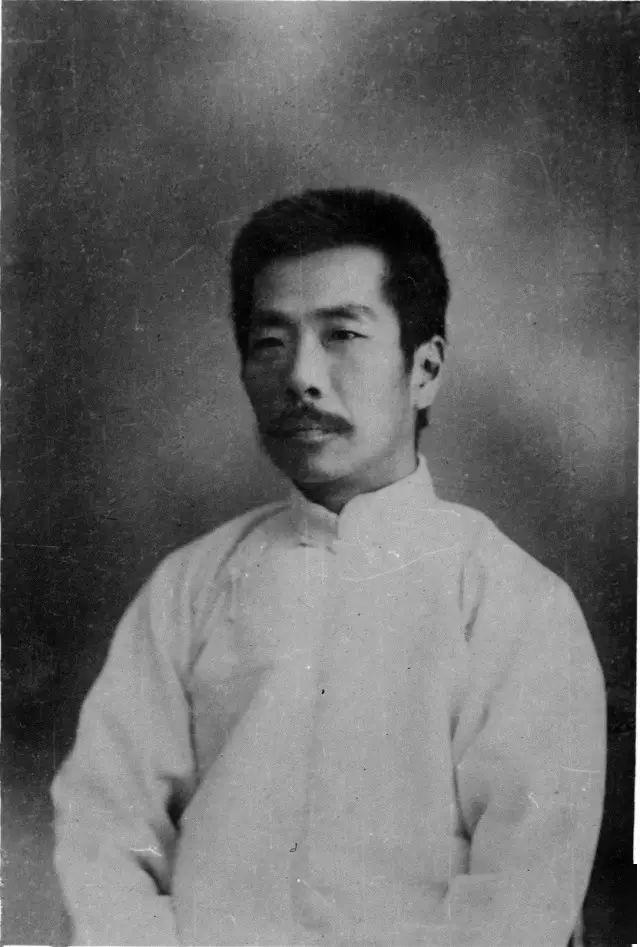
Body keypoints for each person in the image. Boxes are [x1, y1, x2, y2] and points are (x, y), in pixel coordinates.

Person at [51, 188, 606, 947]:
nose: (301, 377)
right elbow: (105, 831)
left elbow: (524, 889)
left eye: (342, 334)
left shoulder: (512, 601)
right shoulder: (192, 586)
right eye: (269, 342)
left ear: (424, 369)